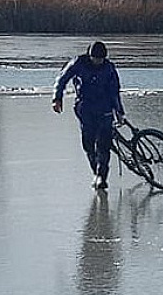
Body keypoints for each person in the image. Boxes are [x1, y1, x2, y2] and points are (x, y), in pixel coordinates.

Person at [52, 41, 125, 189]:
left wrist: (119, 111)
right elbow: (62, 79)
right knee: (89, 143)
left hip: (104, 107)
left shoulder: (109, 68)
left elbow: (114, 91)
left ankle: (101, 176)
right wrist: (57, 98)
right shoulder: (78, 63)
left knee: (104, 145)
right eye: (96, 59)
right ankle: (96, 172)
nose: (98, 62)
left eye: (101, 59)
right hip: (85, 107)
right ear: (90, 56)